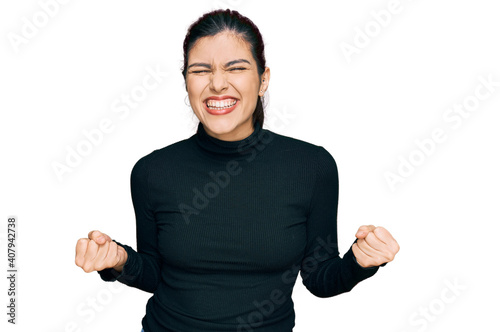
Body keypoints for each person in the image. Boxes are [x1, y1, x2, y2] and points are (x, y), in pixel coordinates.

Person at [74, 9, 399, 332]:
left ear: (263, 79)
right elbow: (154, 273)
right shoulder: (152, 171)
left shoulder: (311, 166)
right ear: (186, 81)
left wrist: (360, 262)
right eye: (201, 70)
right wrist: (118, 261)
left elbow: (319, 278)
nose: (217, 84)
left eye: (236, 68)